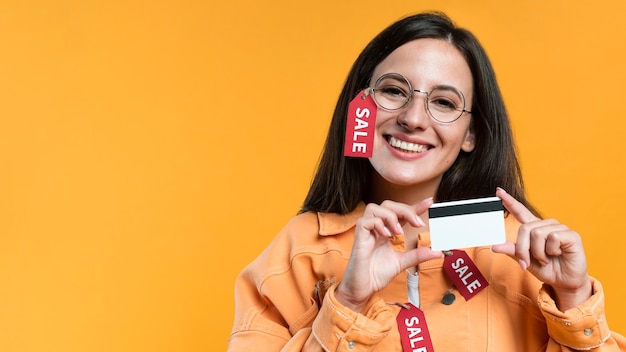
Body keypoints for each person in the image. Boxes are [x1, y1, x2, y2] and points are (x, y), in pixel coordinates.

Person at [227, 12, 626, 351]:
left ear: (472, 134)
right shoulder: (297, 253)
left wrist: (573, 300)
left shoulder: (522, 255)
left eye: (444, 102)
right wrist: (347, 303)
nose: (414, 118)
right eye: (393, 91)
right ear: (359, 106)